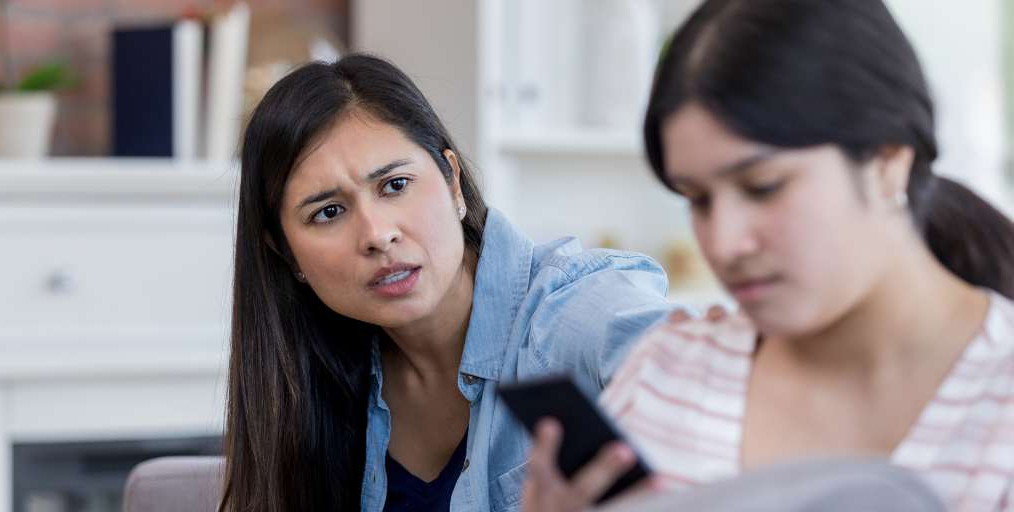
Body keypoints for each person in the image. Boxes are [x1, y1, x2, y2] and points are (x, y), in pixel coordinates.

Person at [521, 0, 1014, 510]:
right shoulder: (668, 373)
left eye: (763, 187)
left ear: (887, 161)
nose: (724, 243)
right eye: (698, 199)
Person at [217, 54, 674, 511]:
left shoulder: (569, 314)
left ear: (452, 181)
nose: (378, 235)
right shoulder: (316, 387)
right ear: (284, 251)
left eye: (395, 185)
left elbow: (713, 400)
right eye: (328, 212)